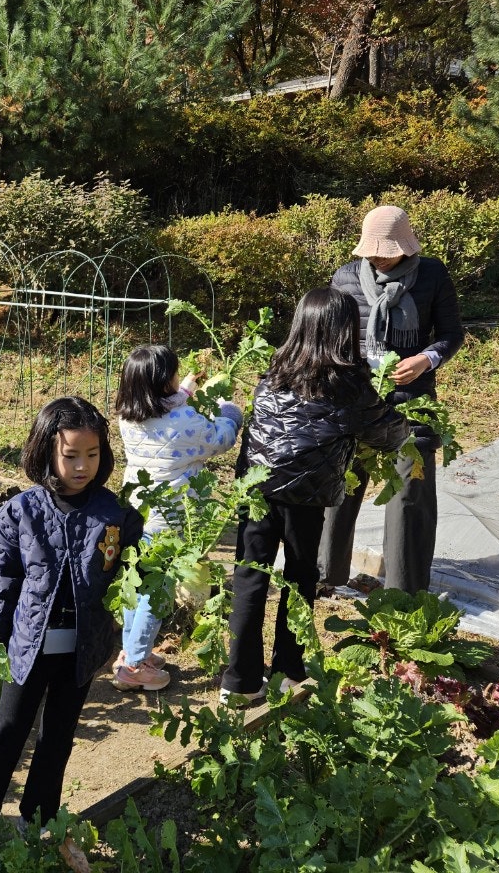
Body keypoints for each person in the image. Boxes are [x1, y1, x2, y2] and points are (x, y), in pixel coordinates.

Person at [0, 397, 142, 872]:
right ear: (45, 451)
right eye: (71, 455)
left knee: (58, 738)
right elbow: (1, 579)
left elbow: (138, 568)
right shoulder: (20, 511)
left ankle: (38, 825)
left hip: (80, 653)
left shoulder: (113, 514)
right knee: (7, 734)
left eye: (92, 455)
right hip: (28, 649)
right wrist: (2, 633)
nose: (82, 466)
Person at [221, 288, 409, 706]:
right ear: (345, 331)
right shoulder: (350, 385)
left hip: (256, 487)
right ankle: (288, 673)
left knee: (250, 578)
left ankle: (239, 683)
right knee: (299, 577)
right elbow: (391, 434)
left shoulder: (274, 370)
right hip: (304, 497)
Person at [318, 206, 464, 594]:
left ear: (406, 245)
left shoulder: (432, 275)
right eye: (372, 250)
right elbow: (329, 337)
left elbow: (451, 333)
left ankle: (405, 589)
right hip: (354, 402)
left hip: (412, 403)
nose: (377, 256)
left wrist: (426, 359)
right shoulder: (346, 278)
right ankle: (324, 574)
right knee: (341, 486)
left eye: (386, 249)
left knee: (409, 497)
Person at [113, 344, 242, 692]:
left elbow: (164, 412)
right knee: (158, 593)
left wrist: (184, 391)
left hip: (136, 514)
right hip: (171, 520)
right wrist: (229, 411)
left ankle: (129, 653)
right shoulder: (186, 422)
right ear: (162, 382)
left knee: (135, 587)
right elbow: (221, 438)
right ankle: (136, 666)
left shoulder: (128, 416)